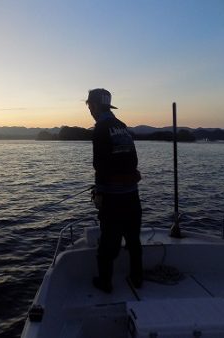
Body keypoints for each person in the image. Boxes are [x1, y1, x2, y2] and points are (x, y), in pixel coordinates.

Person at [86, 88, 143, 293]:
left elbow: (99, 165)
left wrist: (99, 193)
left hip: (113, 198)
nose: (89, 111)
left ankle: (105, 282)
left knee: (108, 244)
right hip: (132, 195)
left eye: (90, 106)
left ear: (94, 106)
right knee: (134, 239)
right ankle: (137, 278)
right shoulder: (122, 126)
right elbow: (133, 160)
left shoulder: (100, 129)